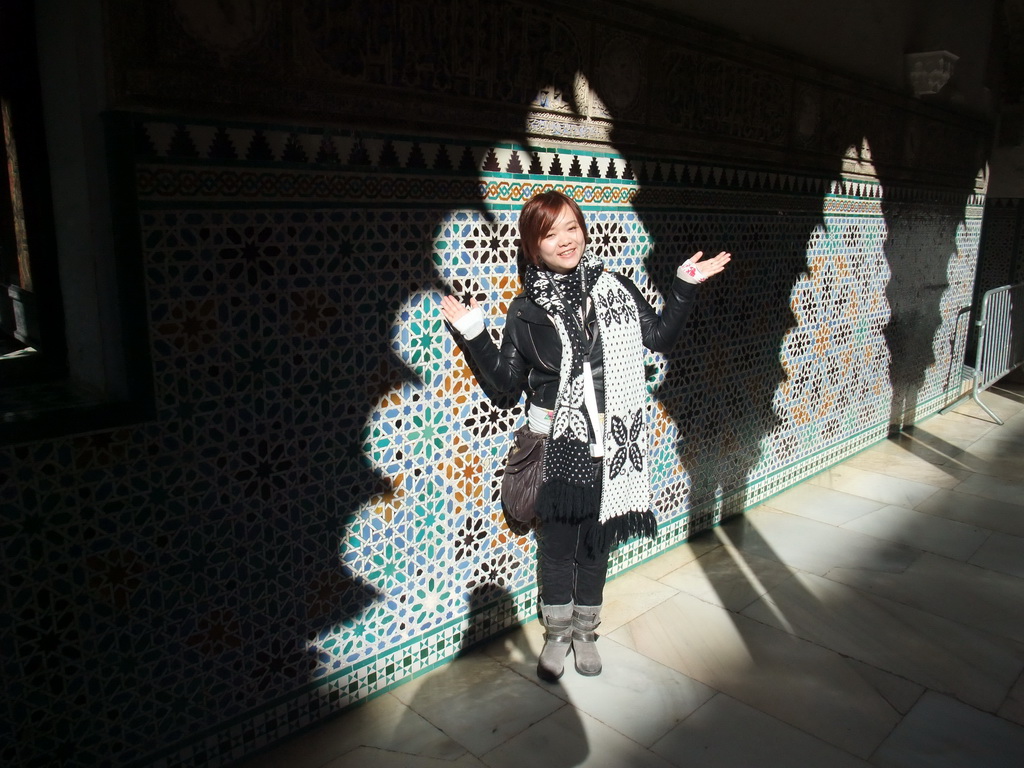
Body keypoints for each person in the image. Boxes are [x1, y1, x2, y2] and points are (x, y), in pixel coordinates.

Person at [440, 190, 730, 682]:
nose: (564, 240)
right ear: (534, 247)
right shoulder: (525, 312)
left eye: (571, 227)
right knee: (556, 548)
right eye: (550, 234)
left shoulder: (614, 288)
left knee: (595, 546)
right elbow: (507, 387)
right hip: (557, 445)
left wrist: (684, 285)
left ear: (583, 229)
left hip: (614, 446)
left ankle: (586, 632)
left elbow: (658, 336)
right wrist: (473, 332)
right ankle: (556, 635)